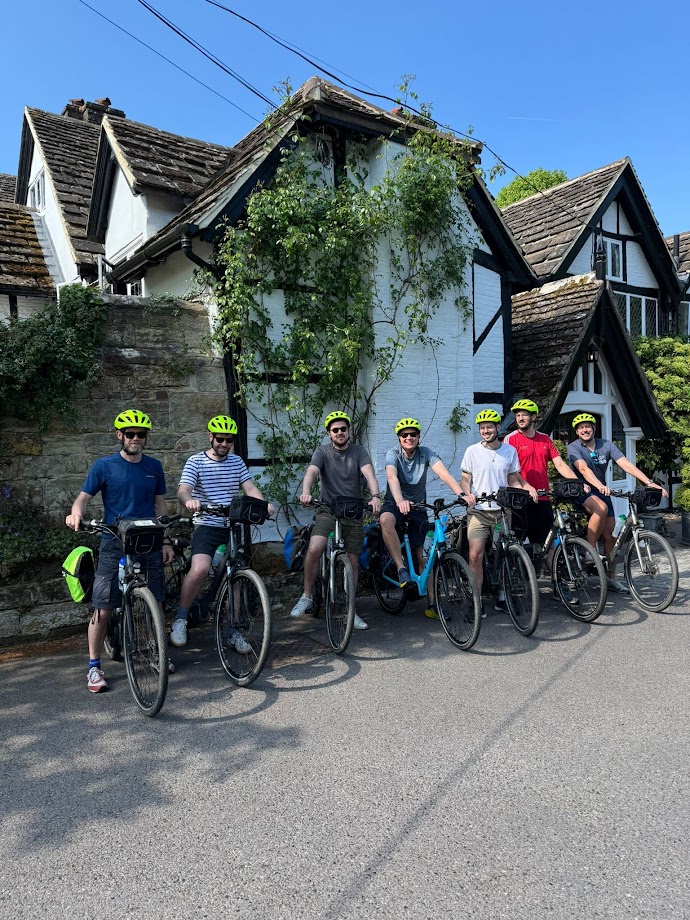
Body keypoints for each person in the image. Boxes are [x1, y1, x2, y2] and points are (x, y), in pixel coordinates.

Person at [65, 409, 174, 693]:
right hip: (114, 540)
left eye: (141, 434)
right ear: (119, 436)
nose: (136, 438)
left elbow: (160, 506)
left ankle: (158, 651)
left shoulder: (154, 466)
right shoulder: (104, 466)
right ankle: (93, 666)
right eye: (130, 434)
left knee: (157, 599)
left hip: (148, 539)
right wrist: (76, 514)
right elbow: (83, 499)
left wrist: (166, 540)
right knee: (103, 605)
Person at [170, 415, 274, 649]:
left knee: (235, 578)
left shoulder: (236, 462)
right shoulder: (196, 462)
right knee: (199, 569)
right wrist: (190, 501)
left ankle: (232, 631)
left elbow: (249, 488)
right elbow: (184, 490)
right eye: (220, 439)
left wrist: (264, 504)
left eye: (229, 441)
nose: (224, 444)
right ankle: (180, 619)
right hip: (206, 524)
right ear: (210, 437)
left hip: (231, 526)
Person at [291, 411, 382, 630]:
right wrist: (305, 492)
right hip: (328, 509)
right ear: (329, 434)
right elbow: (311, 472)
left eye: (343, 429)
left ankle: (351, 609)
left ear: (348, 431)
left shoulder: (359, 451)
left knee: (352, 561)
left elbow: (369, 474)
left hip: (353, 510)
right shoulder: (322, 452)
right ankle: (307, 595)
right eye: (335, 430)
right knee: (315, 547)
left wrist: (376, 496)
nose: (340, 432)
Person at [567, 412, 668, 592]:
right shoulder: (574, 447)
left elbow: (625, 464)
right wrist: (598, 485)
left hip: (602, 490)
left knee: (610, 537)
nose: (585, 429)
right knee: (601, 507)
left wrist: (649, 482)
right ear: (577, 431)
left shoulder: (605, 445)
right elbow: (583, 469)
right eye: (581, 427)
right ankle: (590, 552)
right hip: (582, 490)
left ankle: (611, 577)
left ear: (594, 428)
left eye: (588, 426)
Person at [380, 417, 466, 620]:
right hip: (395, 503)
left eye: (413, 434)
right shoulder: (393, 454)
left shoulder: (425, 453)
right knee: (385, 520)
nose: (409, 437)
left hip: (418, 507)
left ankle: (432, 605)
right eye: (404, 435)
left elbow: (444, 474)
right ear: (399, 438)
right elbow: (391, 477)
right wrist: (400, 500)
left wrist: (461, 494)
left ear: (418, 437)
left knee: (424, 557)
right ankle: (401, 569)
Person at [460, 409, 538, 616]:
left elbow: (513, 478)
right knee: (475, 555)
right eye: (482, 428)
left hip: (502, 511)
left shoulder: (509, 451)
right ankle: (475, 602)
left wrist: (525, 488)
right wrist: (466, 493)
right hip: (478, 511)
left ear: (497, 428)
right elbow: (465, 478)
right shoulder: (472, 451)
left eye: (489, 427)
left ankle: (502, 597)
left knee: (504, 554)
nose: (485, 431)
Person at [503, 399, 582, 577]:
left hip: (543, 497)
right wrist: (526, 486)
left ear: (534, 417)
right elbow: (509, 470)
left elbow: (560, 464)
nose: (520, 418)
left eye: (524, 414)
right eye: (517, 415)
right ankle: (518, 585)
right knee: (517, 545)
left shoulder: (545, 439)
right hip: (520, 499)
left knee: (549, 543)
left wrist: (578, 482)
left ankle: (558, 586)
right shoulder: (511, 439)